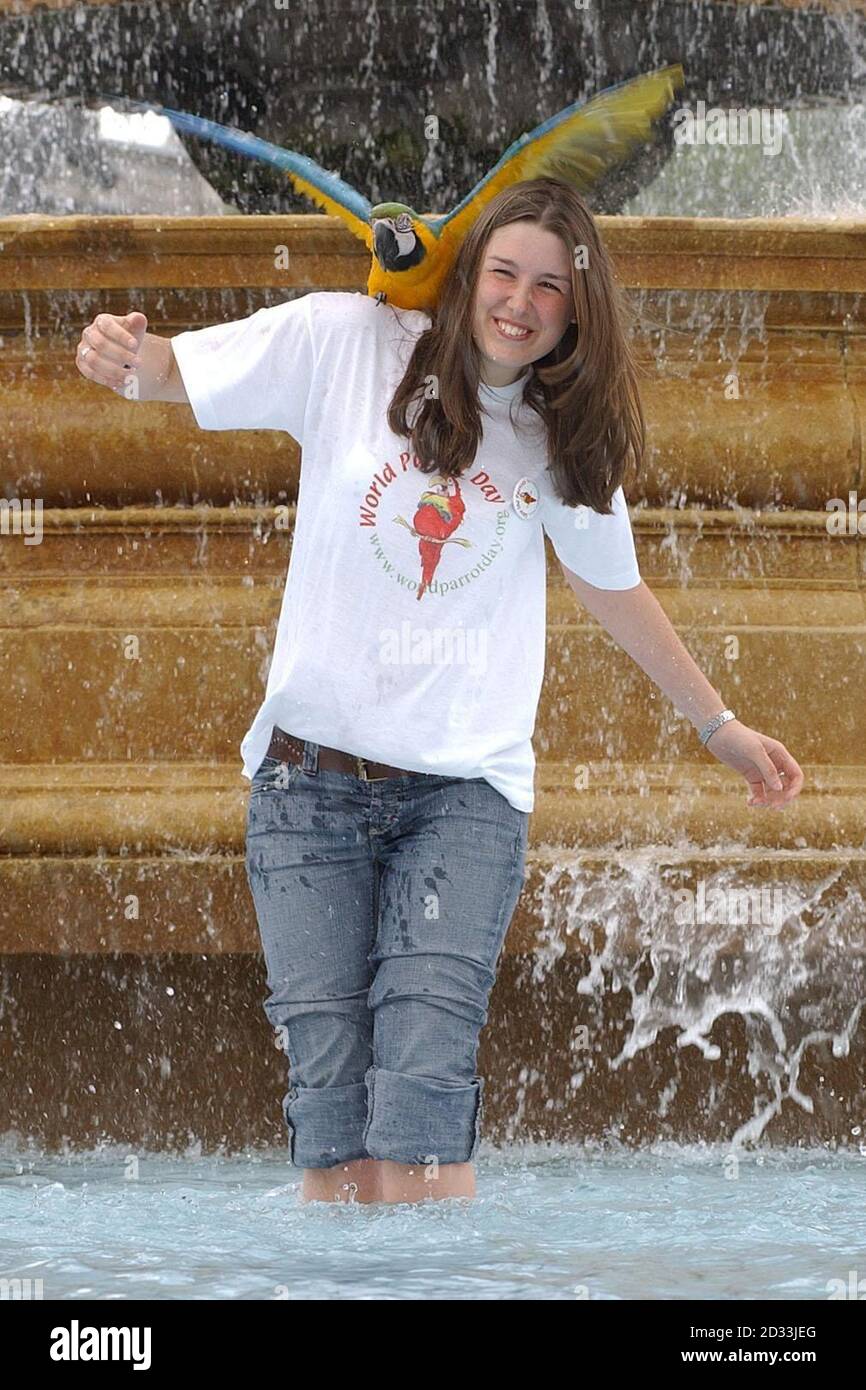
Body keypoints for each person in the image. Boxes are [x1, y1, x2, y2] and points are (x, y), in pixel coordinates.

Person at [74, 177, 804, 1206]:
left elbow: (614, 587)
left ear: (575, 309)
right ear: (465, 276)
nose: (519, 300)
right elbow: (169, 372)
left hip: (460, 803)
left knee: (419, 1112)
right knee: (330, 1125)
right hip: (306, 786)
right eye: (503, 271)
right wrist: (118, 351)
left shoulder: (559, 441)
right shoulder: (343, 343)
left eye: (550, 285)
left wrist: (717, 724)